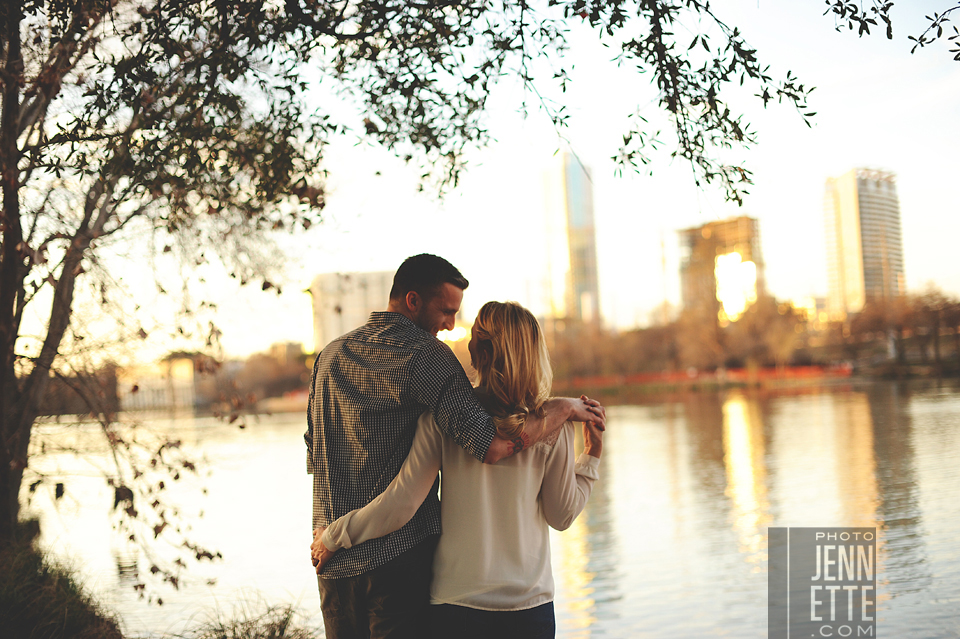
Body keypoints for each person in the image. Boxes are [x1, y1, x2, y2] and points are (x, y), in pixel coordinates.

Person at [305, 255, 605, 639]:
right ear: (413, 301)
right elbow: (501, 454)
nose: (450, 325)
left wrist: (328, 533)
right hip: (412, 567)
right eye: (446, 311)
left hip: (346, 567)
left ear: (479, 351)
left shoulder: (329, 355)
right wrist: (585, 447)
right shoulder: (547, 421)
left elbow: (315, 454)